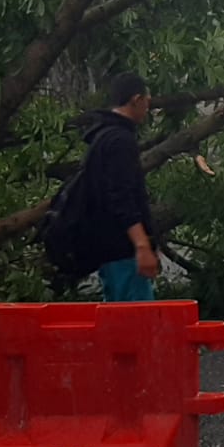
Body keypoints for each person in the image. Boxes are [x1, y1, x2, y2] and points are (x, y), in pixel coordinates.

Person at [70, 72, 160, 302]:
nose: (148, 106)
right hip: (123, 249)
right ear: (136, 99)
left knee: (118, 322)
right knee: (136, 325)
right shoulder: (120, 140)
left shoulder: (101, 136)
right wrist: (142, 245)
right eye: (147, 100)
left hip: (106, 247)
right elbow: (121, 197)